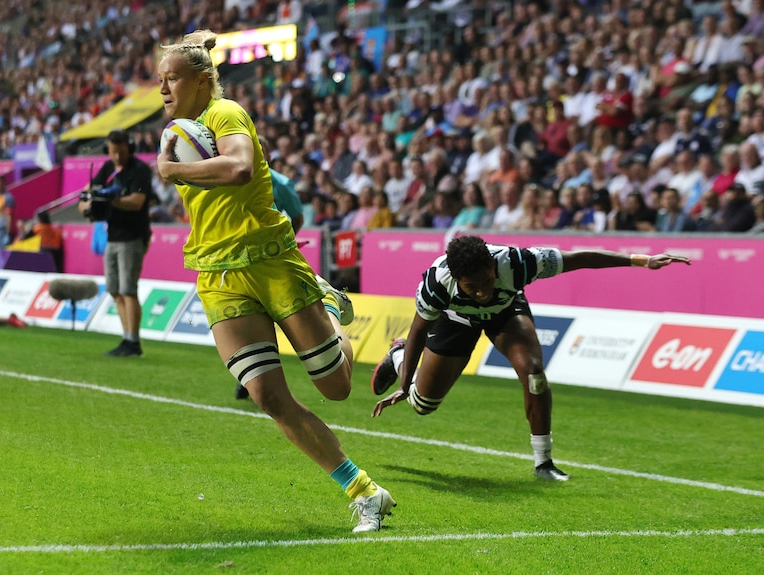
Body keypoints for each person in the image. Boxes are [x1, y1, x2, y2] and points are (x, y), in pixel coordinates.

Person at [155, 30, 395, 533]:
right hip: (218, 274)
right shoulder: (185, 125)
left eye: (171, 78)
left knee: (336, 388)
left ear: (202, 81)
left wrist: (176, 170)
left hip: (270, 262)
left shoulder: (225, 114)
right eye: (160, 79)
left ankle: (328, 306)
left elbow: (241, 168)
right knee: (266, 394)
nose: (162, 89)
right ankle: (364, 492)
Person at [369, 235, 690, 480]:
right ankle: (394, 357)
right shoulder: (436, 284)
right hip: (456, 320)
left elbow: (578, 259)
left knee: (534, 372)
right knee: (422, 406)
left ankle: (544, 463)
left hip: (504, 313)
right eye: (472, 287)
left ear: (494, 267)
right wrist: (405, 380)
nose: (481, 291)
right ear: (456, 280)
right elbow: (418, 331)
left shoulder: (519, 262)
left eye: (486, 281)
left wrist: (640, 260)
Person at [78, 128, 154, 357]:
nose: (117, 157)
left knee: (128, 290)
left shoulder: (140, 170)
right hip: (112, 236)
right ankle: (126, 338)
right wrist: (88, 203)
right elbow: (88, 191)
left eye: (121, 152)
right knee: (114, 290)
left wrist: (109, 201)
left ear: (129, 148)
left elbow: (138, 201)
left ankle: (133, 341)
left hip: (132, 236)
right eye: (113, 152)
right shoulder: (109, 167)